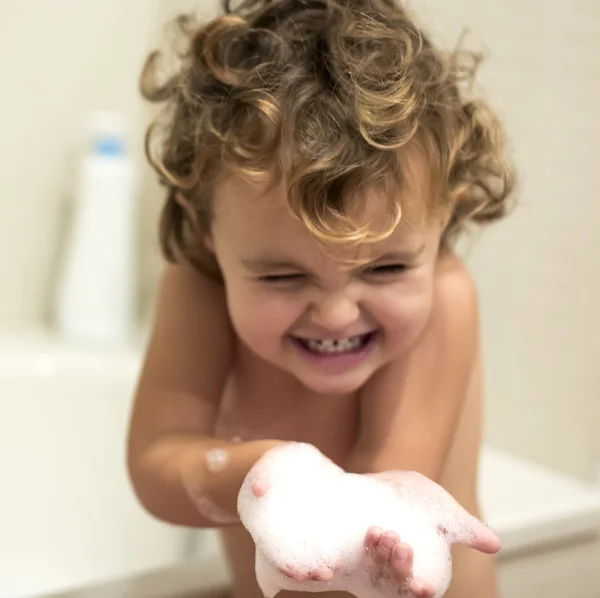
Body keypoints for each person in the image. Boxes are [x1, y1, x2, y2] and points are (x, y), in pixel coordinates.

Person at [126, 0, 516, 596]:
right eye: (281, 278)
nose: (336, 314)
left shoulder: (444, 300)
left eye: (385, 268)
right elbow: (157, 466)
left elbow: (380, 515)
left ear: (446, 219)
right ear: (207, 229)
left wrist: (288, 491)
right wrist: (261, 473)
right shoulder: (197, 288)